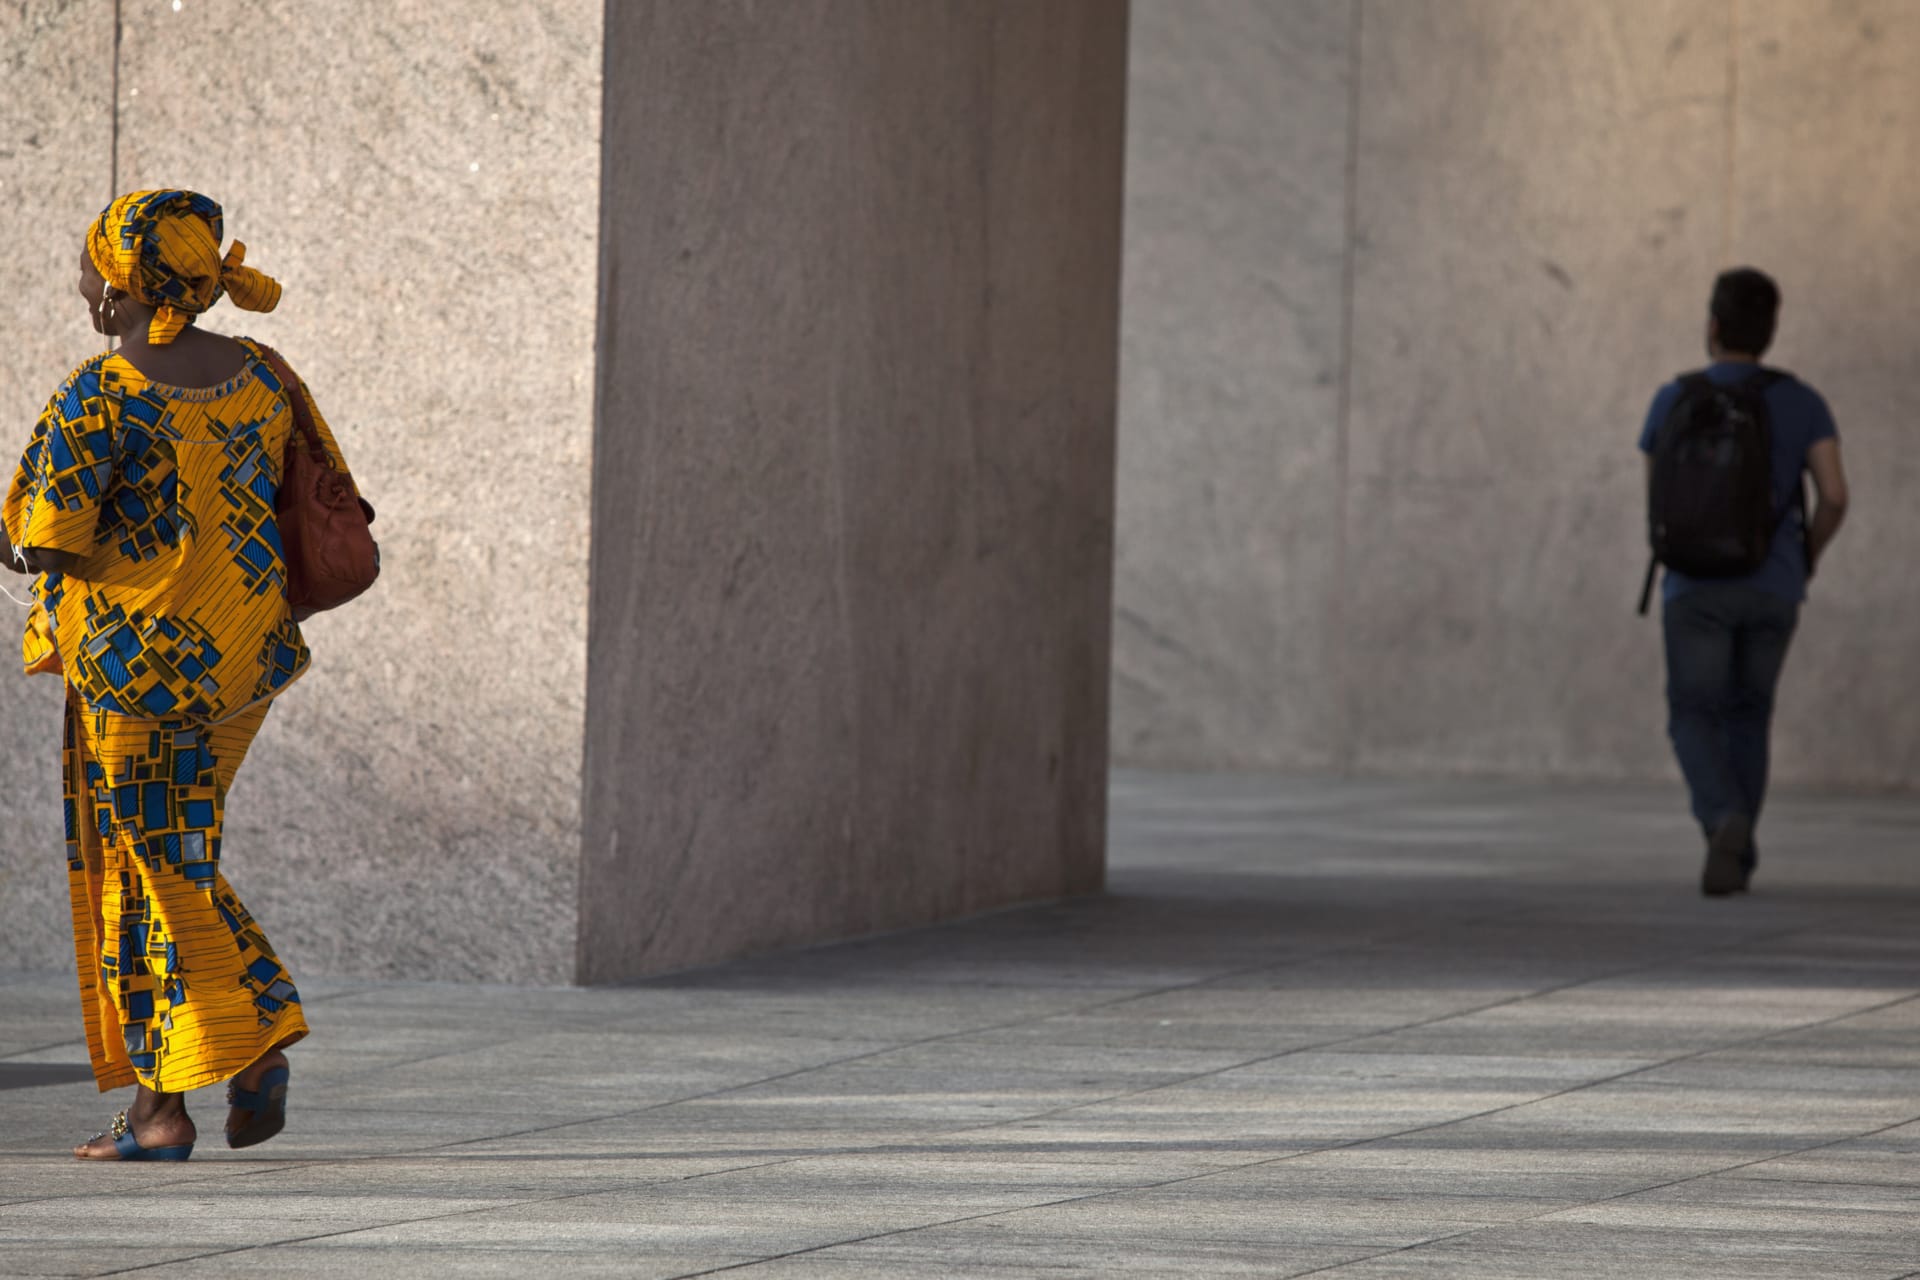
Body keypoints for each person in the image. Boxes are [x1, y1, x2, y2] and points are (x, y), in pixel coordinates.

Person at [1, 190, 353, 1160]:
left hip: (135, 668)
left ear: (121, 285)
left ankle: (262, 1030)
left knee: (156, 862)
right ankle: (159, 1112)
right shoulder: (263, 377)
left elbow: (45, 541)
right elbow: (316, 486)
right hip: (243, 662)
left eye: (88, 267)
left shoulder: (102, 391)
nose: (78, 284)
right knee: (152, 860)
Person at [1639, 268, 1849, 896]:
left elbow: (1656, 502)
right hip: (1774, 583)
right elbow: (1835, 494)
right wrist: (1804, 555)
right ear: (1770, 330)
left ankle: (1721, 818)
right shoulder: (1802, 401)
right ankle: (1740, 852)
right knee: (1749, 714)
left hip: (1693, 586)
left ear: (1713, 326)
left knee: (1692, 712)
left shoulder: (1672, 398)